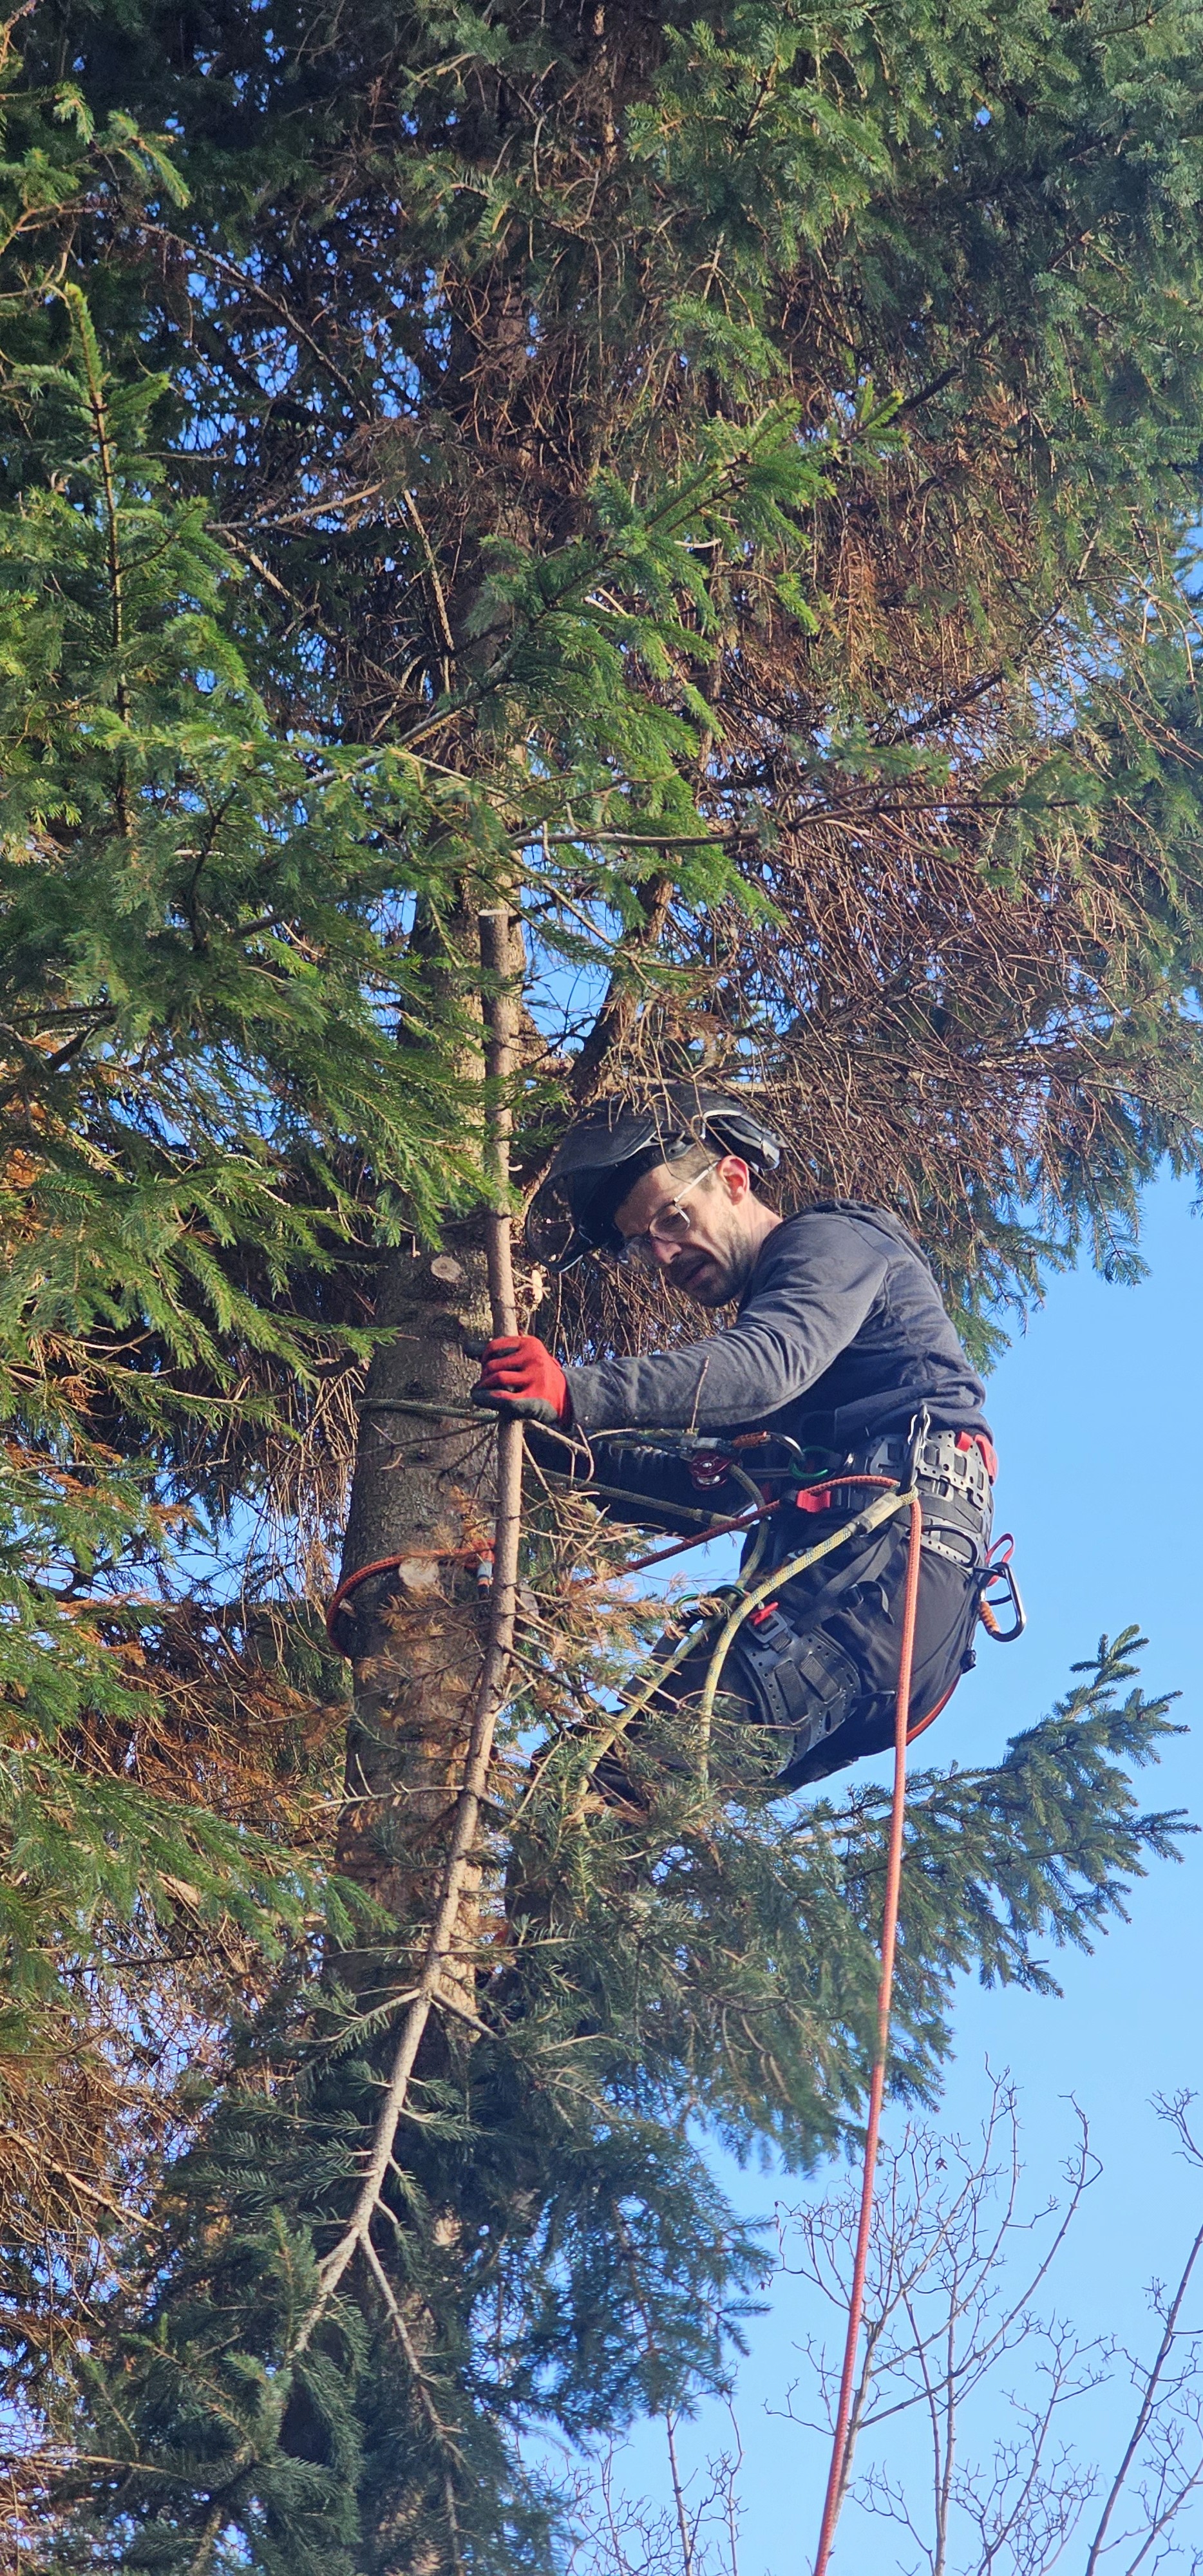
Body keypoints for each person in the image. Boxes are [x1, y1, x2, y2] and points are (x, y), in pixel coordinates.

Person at [473, 1084, 998, 1790]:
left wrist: (574, 1391)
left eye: (672, 1217)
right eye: (642, 1244)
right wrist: (544, 1437)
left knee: (590, 1791)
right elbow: (706, 1490)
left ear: (732, 1177)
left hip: (873, 1590)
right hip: (862, 1609)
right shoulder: (799, 1370)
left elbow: (769, 1363)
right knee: (585, 1794)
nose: (663, 1253)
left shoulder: (830, 1242)